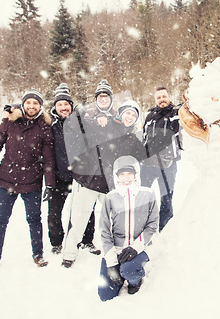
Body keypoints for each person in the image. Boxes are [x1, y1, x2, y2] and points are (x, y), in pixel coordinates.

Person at [61, 82, 146, 268]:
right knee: (78, 220)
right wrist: (85, 113)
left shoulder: (127, 133)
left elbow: (143, 155)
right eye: (100, 96)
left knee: (118, 222)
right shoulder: (95, 120)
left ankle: (120, 252)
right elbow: (74, 128)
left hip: (110, 185)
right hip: (89, 180)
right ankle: (69, 255)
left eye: (107, 96)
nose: (103, 99)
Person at [0, 89, 55, 281]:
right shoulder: (10, 121)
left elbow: (48, 158)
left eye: (36, 103)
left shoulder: (45, 127)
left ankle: (38, 254)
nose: (32, 106)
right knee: (0, 220)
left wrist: (49, 184)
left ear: (41, 106)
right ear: (23, 104)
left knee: (34, 220)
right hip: (7, 179)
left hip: (32, 181)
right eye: (29, 102)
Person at [46, 83, 100, 255]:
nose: (63, 107)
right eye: (60, 104)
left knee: (86, 209)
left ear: (71, 105)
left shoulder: (79, 120)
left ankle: (87, 240)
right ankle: (57, 243)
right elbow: (30, 111)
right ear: (55, 107)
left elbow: (94, 130)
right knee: (54, 213)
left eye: (66, 104)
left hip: (79, 175)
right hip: (58, 176)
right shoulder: (49, 123)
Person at [98, 155, 158, 301]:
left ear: (136, 174)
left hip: (140, 248)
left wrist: (136, 247)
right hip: (117, 249)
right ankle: (120, 270)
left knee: (128, 270)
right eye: (122, 174)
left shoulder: (148, 194)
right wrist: (112, 263)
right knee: (105, 296)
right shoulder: (110, 197)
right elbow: (104, 230)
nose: (126, 178)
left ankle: (134, 280)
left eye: (129, 174)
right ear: (116, 176)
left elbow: (152, 225)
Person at [141, 87, 182, 232]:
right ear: (155, 100)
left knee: (166, 199)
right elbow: (144, 137)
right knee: (143, 196)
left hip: (168, 164)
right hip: (148, 164)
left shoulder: (176, 113)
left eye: (164, 96)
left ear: (169, 97)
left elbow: (188, 110)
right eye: (158, 97)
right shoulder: (150, 116)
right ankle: (144, 227)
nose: (162, 99)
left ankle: (164, 230)